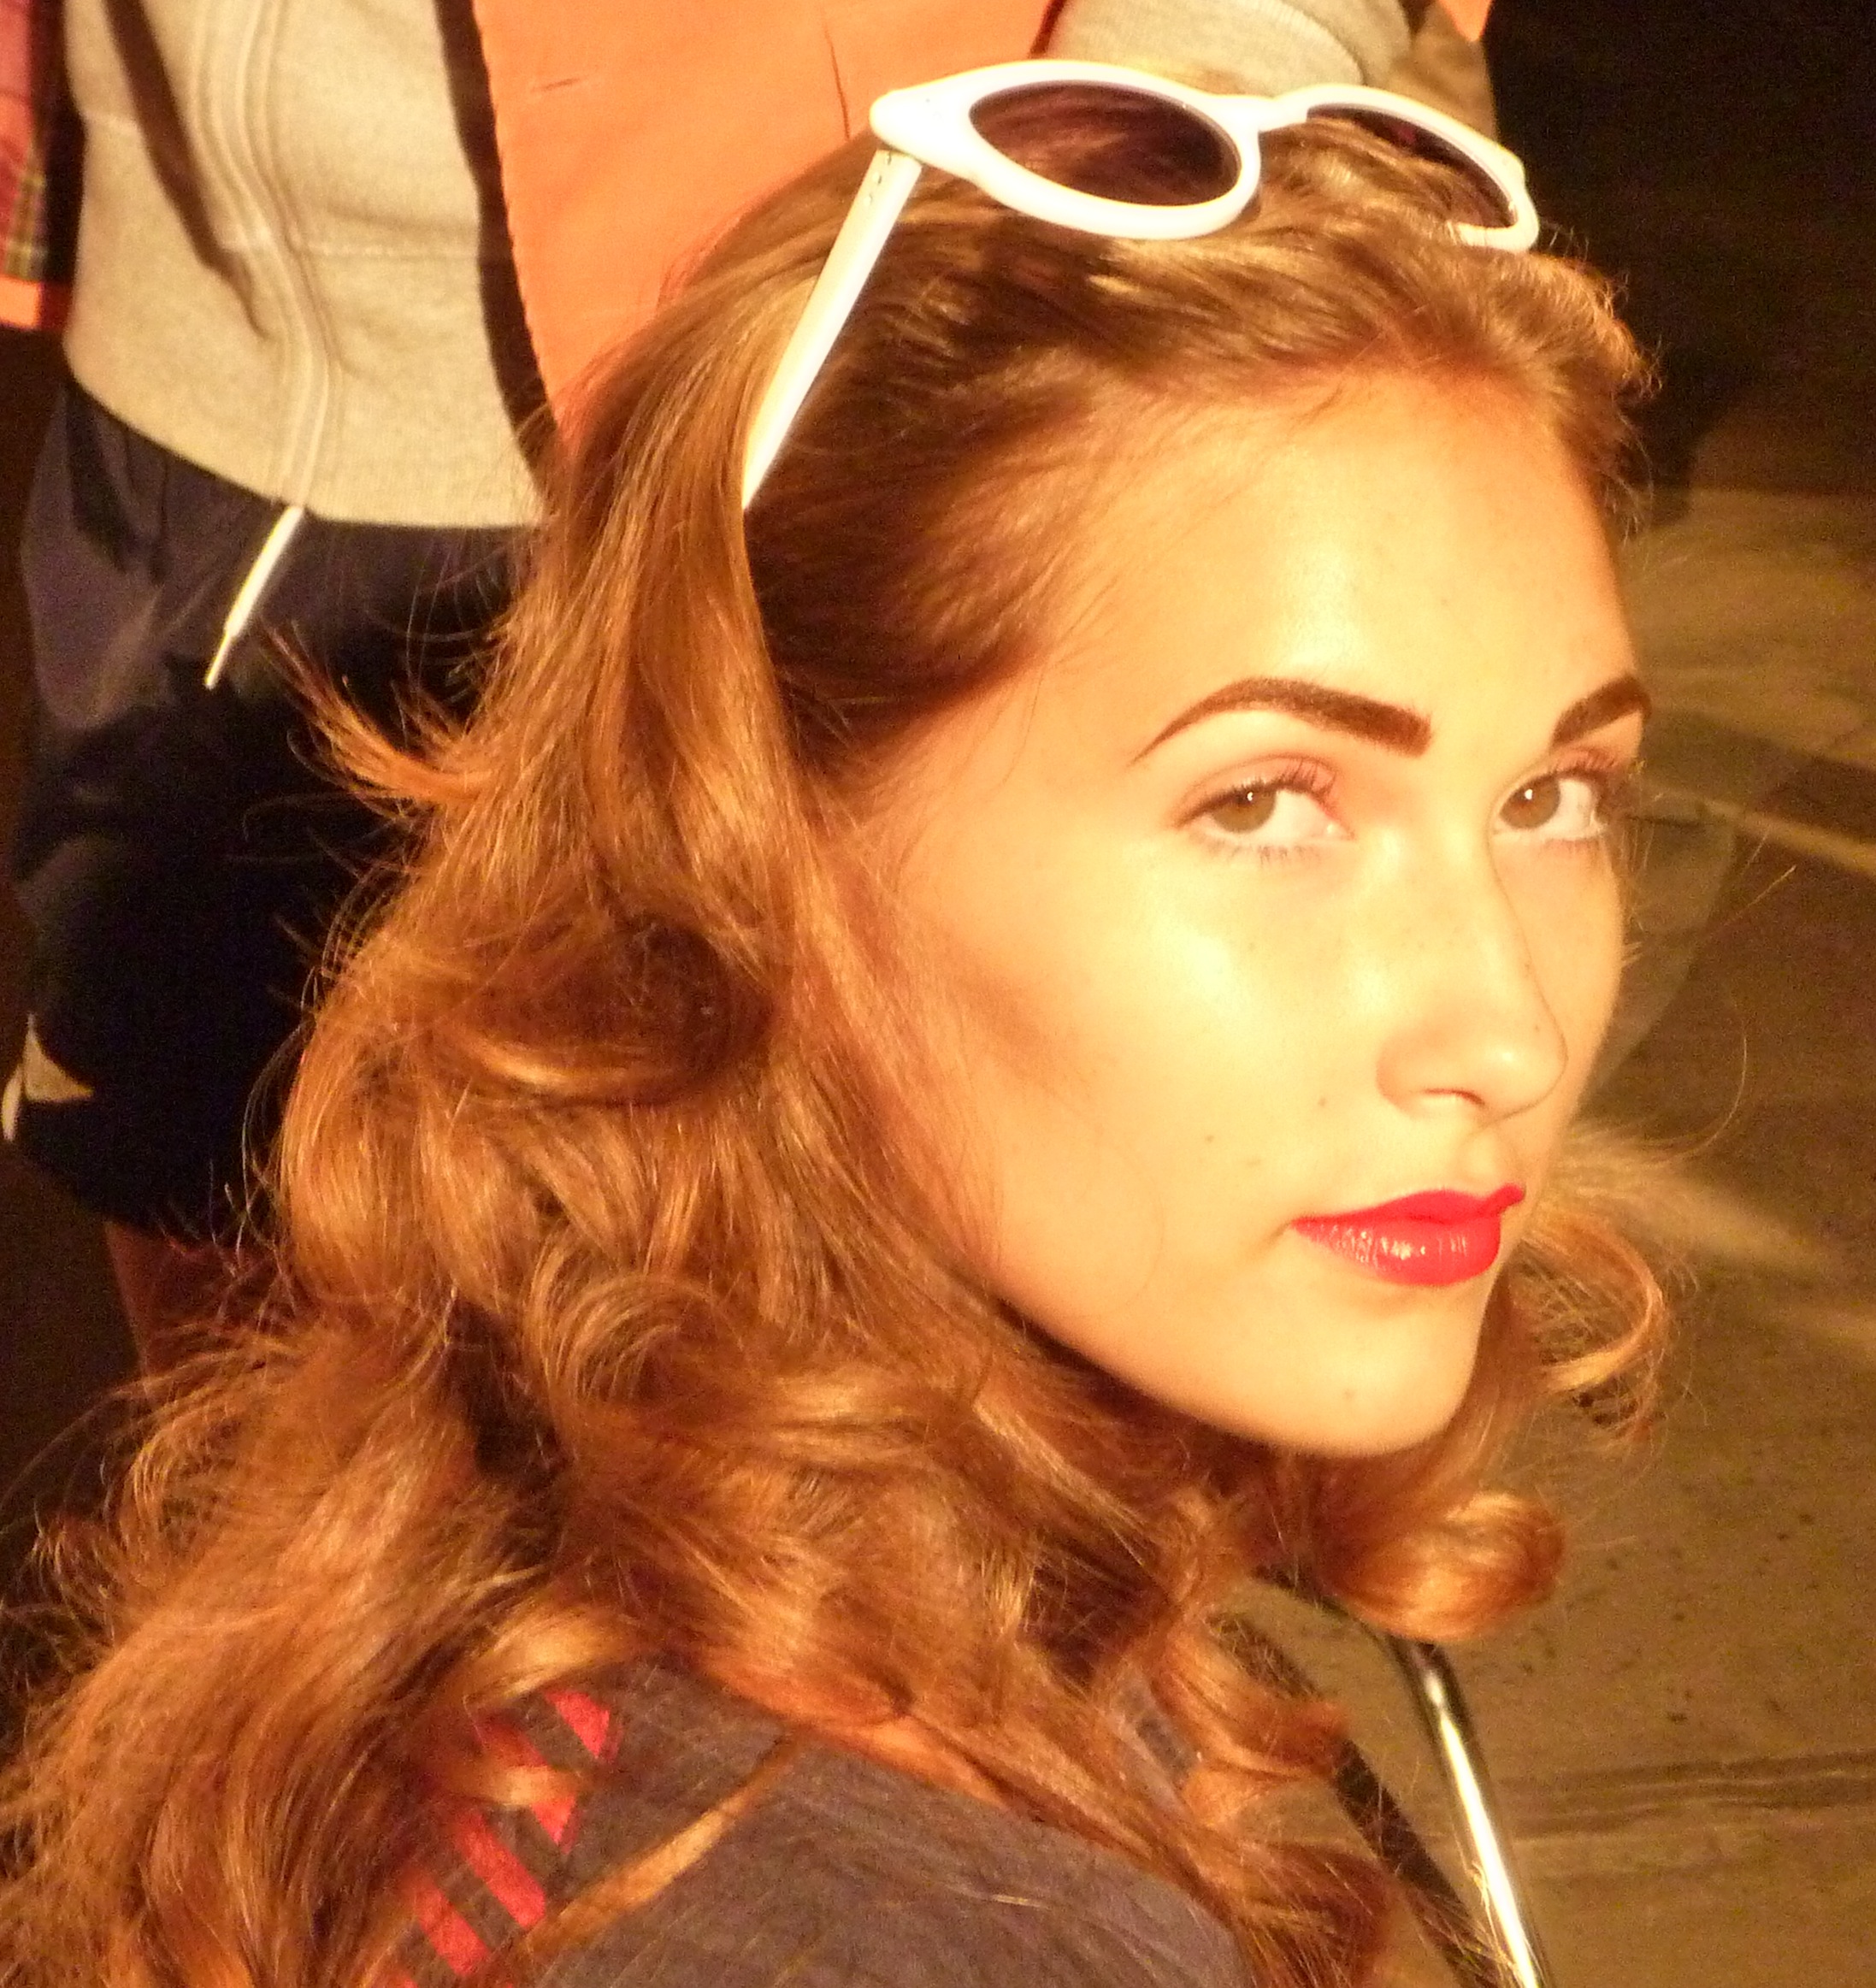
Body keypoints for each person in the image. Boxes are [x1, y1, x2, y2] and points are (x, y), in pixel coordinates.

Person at [0, 57, 1661, 1988]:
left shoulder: (572, 1572)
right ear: (760, 845)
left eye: (1549, 796)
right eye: (1261, 802)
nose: (1504, 1032)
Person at [1, 2, 1455, 1362]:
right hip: (193, 371)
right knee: (240, 1296)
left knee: (867, 1371)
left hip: (872, 390)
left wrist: (1138, 156)